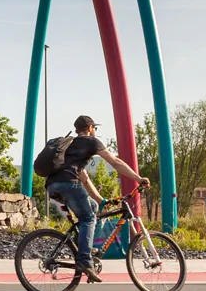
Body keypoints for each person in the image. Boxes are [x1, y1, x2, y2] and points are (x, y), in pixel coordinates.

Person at [46, 115, 150, 282]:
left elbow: (84, 178)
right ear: (89, 128)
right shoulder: (92, 142)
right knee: (88, 217)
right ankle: (85, 261)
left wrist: (101, 200)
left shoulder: (69, 146)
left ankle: (81, 247)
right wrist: (139, 179)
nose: (95, 131)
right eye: (94, 128)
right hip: (69, 184)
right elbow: (115, 162)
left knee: (92, 207)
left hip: (52, 185)